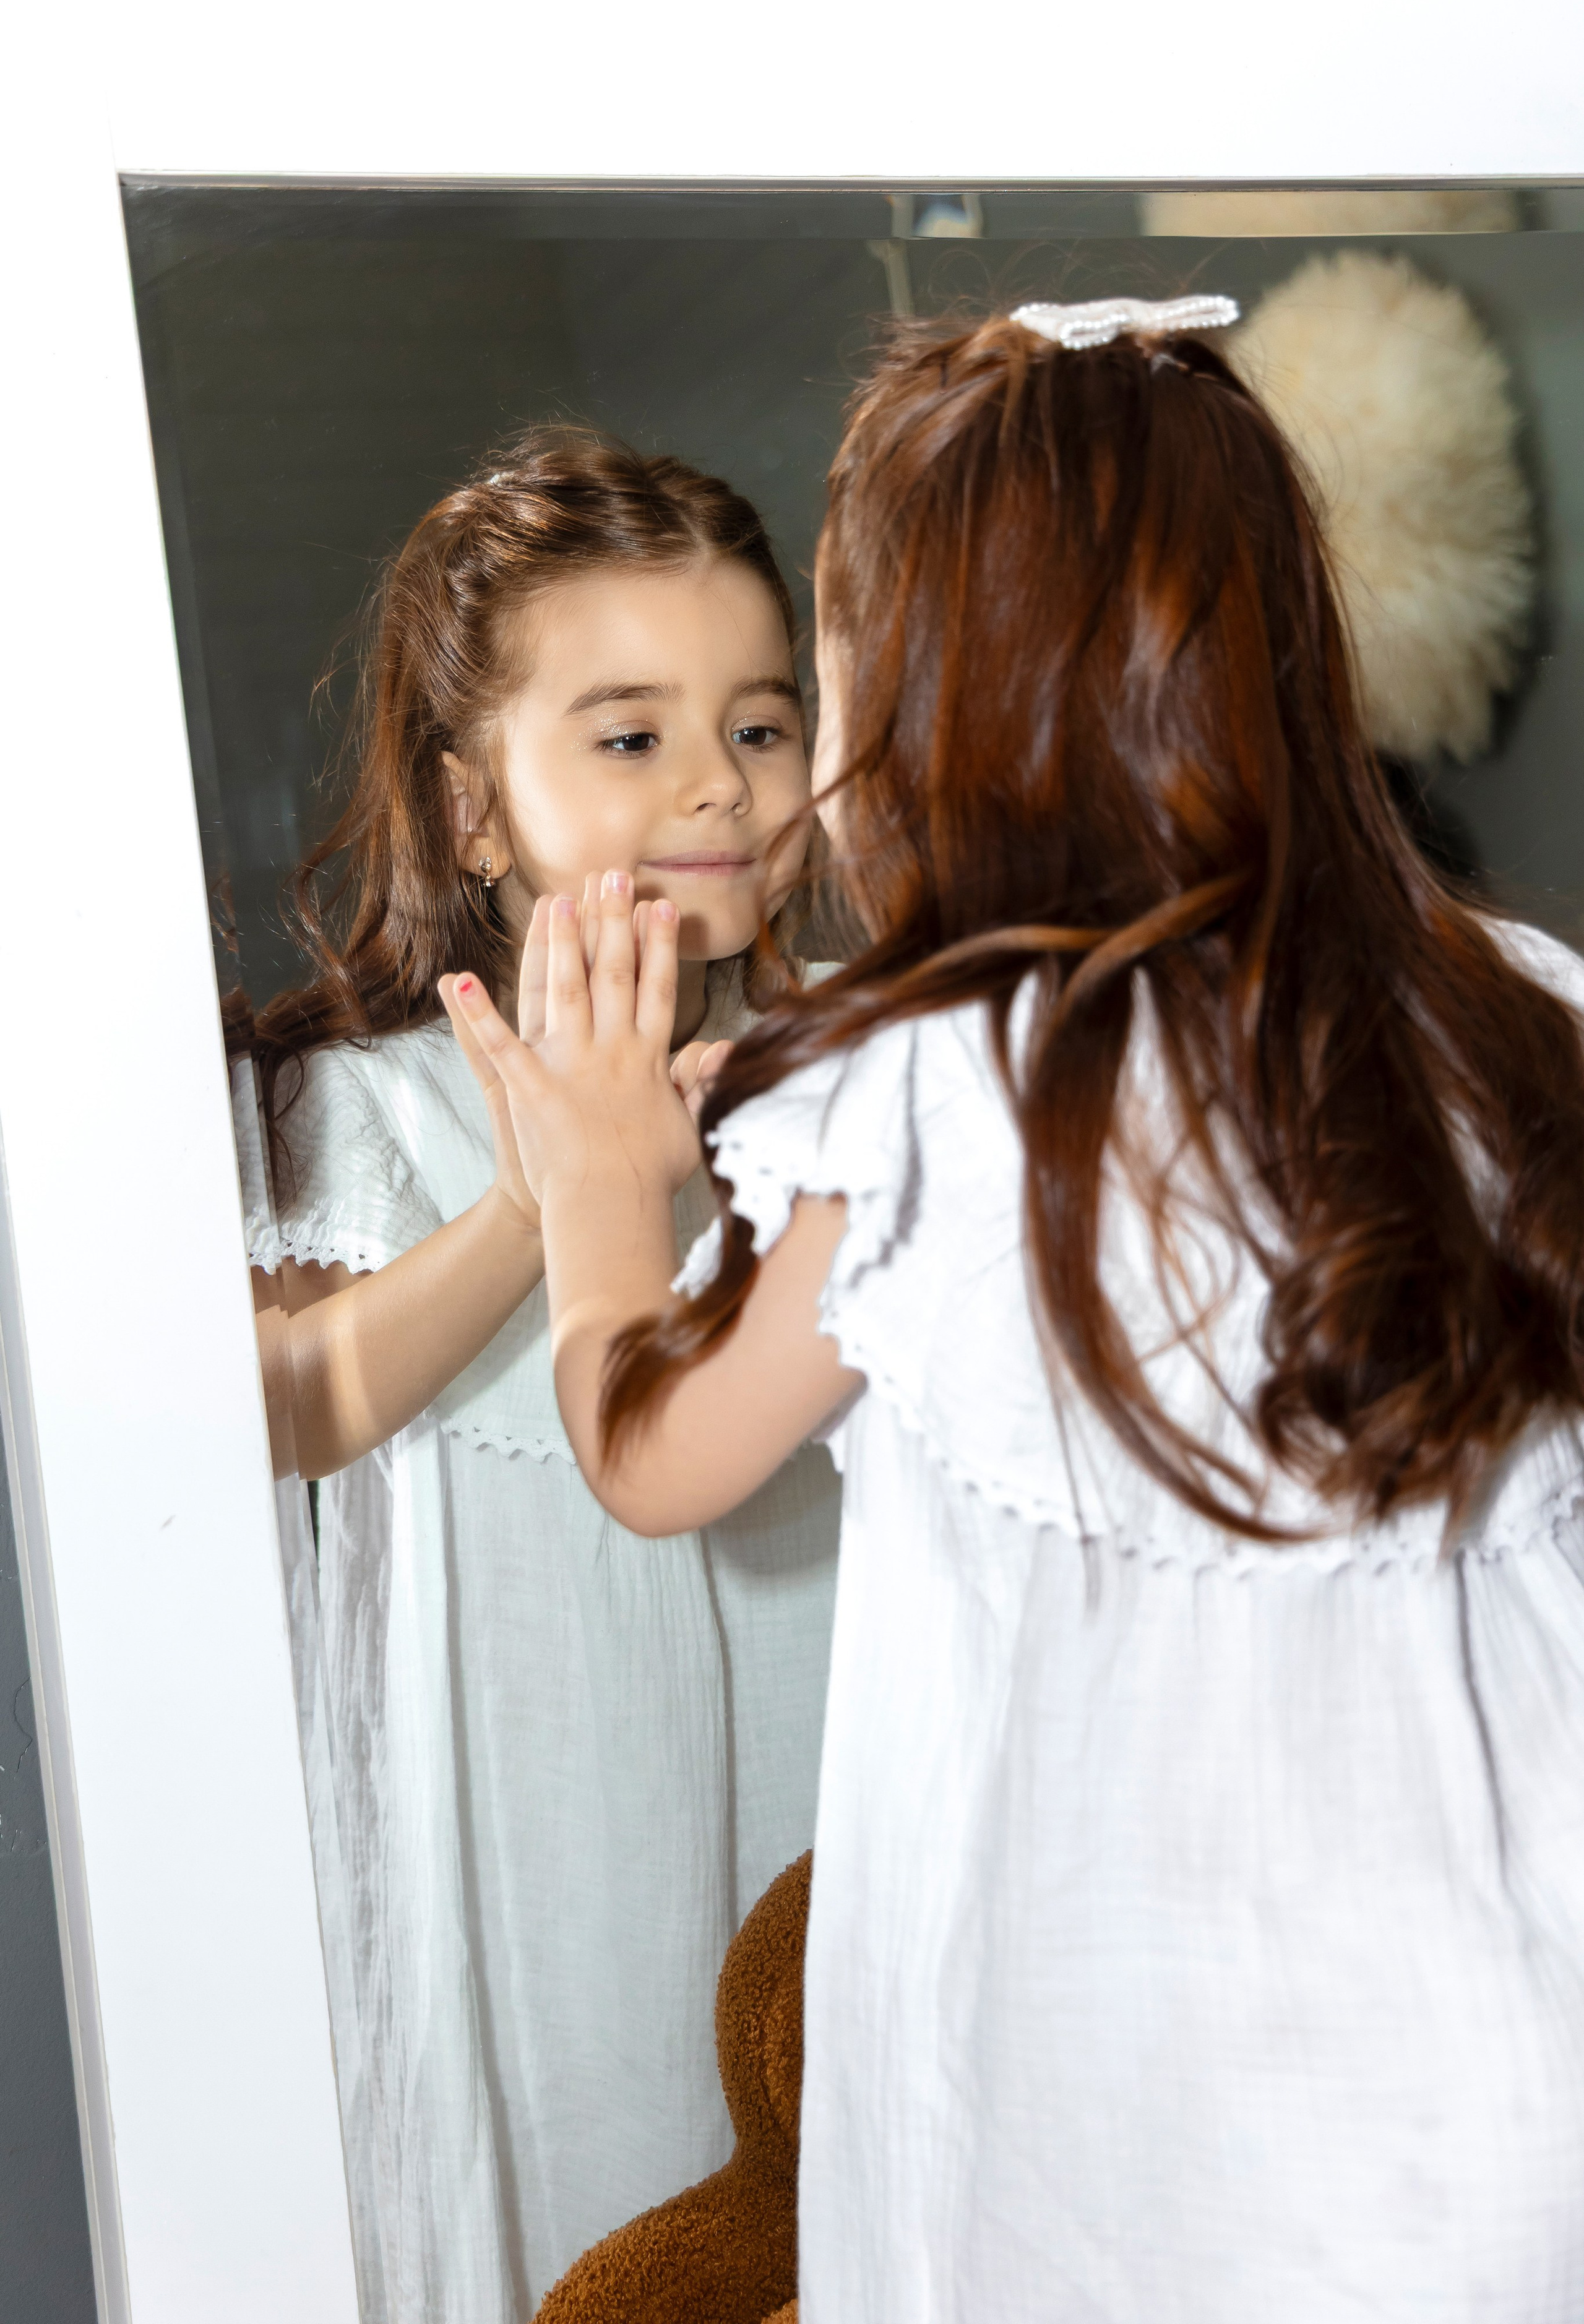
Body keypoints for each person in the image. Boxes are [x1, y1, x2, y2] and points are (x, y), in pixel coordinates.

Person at [445, 304, 1584, 2321]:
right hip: (1495, 2111)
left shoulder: (942, 1088)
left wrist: (611, 1189)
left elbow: (655, 1452)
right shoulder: (1519, 1015)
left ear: (927, 695)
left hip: (1117, 2150)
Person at [240, 429, 841, 2322]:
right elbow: (292, 1407)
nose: (716, 792)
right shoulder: (378, 1109)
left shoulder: (857, 1088)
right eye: (629, 733)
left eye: (761, 726)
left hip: (815, 1796)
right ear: (474, 809)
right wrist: (545, 1192)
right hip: (537, 1848)